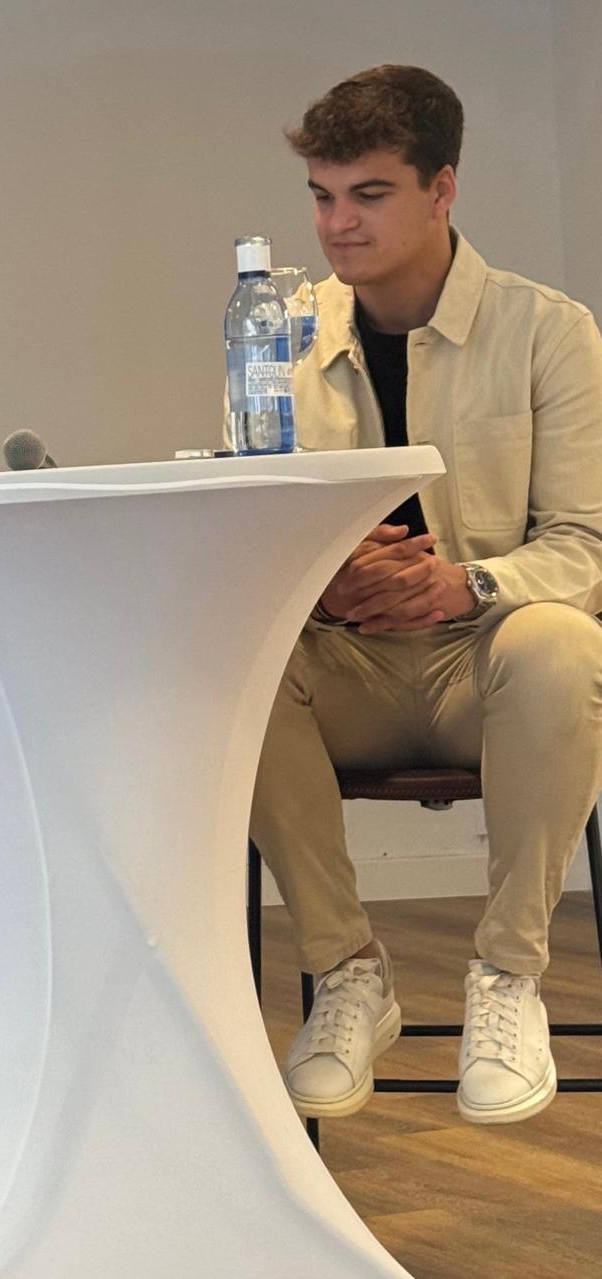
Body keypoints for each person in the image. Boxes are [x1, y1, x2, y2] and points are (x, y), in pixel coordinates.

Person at [250, 66, 602, 1126]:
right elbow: (242, 540)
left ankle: (508, 976)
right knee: (225, 664)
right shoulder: (275, 338)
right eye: (321, 196)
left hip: (484, 664)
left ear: (442, 189)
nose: (337, 224)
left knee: (561, 640)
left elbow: (585, 547)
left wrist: (467, 581)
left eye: (369, 194)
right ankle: (347, 969)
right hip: (347, 668)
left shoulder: (549, 331)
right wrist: (321, 579)